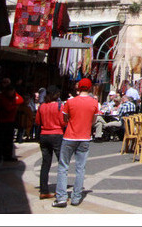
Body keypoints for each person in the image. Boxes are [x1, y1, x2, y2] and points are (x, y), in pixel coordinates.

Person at [53, 78, 100, 208]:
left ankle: (61, 197)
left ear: (78, 88)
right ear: (90, 88)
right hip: (84, 137)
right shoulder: (94, 103)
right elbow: (94, 121)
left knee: (63, 167)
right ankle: (76, 197)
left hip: (69, 136)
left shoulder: (70, 101)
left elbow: (65, 118)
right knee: (80, 168)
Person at [35, 85, 66, 199]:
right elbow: (63, 122)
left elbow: (37, 121)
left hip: (44, 135)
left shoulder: (42, 106)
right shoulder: (59, 106)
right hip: (57, 134)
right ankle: (61, 191)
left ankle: (43, 190)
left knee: (45, 163)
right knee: (62, 163)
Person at [0, 82, 23, 163]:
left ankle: (7, 156)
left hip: (10, 121)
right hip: (1, 121)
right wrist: (15, 106)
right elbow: (8, 108)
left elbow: (20, 100)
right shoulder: (1, 97)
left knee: (9, 140)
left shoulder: (13, 97)